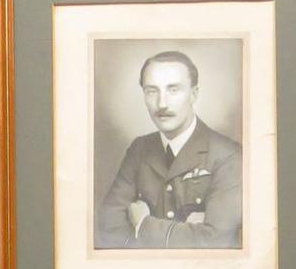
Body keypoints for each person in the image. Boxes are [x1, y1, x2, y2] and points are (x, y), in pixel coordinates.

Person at [96, 50, 242, 249]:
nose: (162, 104)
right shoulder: (139, 149)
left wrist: (143, 224)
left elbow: (215, 241)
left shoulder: (228, 155)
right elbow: (108, 229)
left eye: (173, 90)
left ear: (194, 94)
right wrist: (189, 233)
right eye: (152, 91)